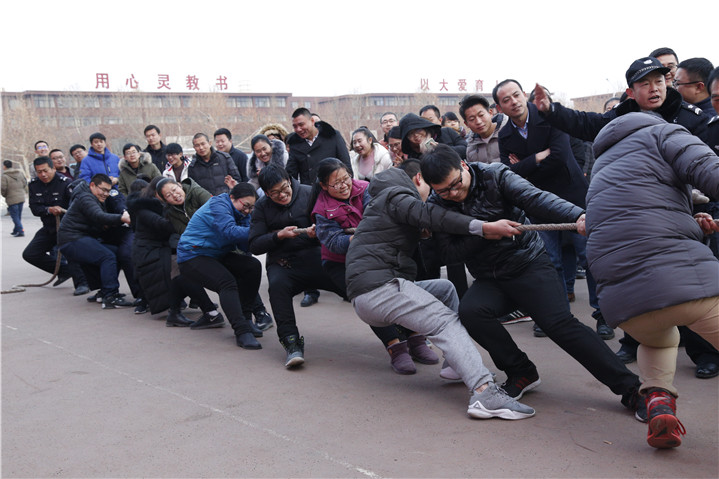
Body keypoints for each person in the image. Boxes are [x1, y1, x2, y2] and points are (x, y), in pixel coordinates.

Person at [420, 144, 645, 420]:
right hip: (489, 276)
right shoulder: (436, 204)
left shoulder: (495, 175)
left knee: (559, 326)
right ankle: (522, 371)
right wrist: (485, 232)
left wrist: (578, 216)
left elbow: (537, 199)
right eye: (444, 191)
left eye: (456, 184)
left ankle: (631, 388)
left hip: (528, 264)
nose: (453, 194)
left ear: (464, 166)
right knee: (471, 312)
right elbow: (449, 253)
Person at [345, 160, 535, 420]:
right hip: (380, 288)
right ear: (418, 179)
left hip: (369, 294)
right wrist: (483, 227)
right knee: (445, 322)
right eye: (433, 187)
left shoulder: (380, 204)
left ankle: (455, 365)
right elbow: (434, 215)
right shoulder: (396, 196)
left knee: (444, 289)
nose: (436, 194)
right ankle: (484, 393)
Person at [586, 110, 719, 449]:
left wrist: (691, 219)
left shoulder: (602, 166)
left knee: (657, 341)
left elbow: (642, 209)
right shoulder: (663, 134)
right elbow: (710, 170)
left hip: (625, 304)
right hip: (683, 282)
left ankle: (659, 403)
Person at [494, 79, 606, 338]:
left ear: (524, 94)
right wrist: (537, 157)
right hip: (537, 202)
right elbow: (508, 172)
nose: (513, 102)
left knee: (589, 258)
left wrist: (524, 164)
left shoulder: (549, 118)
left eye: (516, 95)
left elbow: (559, 156)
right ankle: (556, 316)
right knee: (549, 262)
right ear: (499, 107)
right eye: (506, 100)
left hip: (573, 196)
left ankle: (603, 315)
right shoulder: (505, 135)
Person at [309, 158, 439, 374]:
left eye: (345, 178)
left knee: (400, 291)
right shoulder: (321, 210)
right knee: (372, 300)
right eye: (336, 183)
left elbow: (379, 214)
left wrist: (365, 234)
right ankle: (395, 347)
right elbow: (334, 242)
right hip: (342, 263)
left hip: (377, 255)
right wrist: (362, 236)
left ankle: (416, 338)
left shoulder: (366, 188)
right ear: (323, 186)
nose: (344, 185)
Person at [248, 165, 346, 367]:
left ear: (290, 180)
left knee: (354, 286)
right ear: (266, 193)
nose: (282, 195)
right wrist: (279, 235)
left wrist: (318, 231)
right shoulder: (262, 207)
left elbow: (336, 224)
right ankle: (292, 344)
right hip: (284, 263)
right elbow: (255, 245)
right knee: (277, 287)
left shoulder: (310, 193)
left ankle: (395, 336)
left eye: (284, 188)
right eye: (274, 193)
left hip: (316, 256)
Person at [157, 177, 273, 331]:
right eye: (168, 195)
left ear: (179, 185)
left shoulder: (200, 194)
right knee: (224, 281)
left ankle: (253, 315)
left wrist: (266, 237)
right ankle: (227, 321)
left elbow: (232, 229)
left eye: (174, 190)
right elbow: (226, 230)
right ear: (164, 200)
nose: (174, 195)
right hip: (196, 250)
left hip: (220, 246)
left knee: (250, 267)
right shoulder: (172, 212)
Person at [532, 56, 707, 142]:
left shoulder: (692, 118)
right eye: (645, 84)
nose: (654, 88)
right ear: (631, 93)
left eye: (658, 82)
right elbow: (586, 124)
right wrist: (550, 109)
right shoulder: (620, 117)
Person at [177, 182, 264, 349]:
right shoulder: (218, 205)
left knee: (252, 266)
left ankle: (247, 319)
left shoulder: (243, 214)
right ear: (232, 198)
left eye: (251, 207)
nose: (248, 211)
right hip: (192, 255)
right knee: (226, 282)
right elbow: (229, 232)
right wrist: (261, 231)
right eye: (246, 205)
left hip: (216, 253)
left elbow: (245, 245)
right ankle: (241, 331)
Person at [57, 173, 135, 309]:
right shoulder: (85, 197)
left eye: (108, 191)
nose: (106, 194)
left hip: (80, 238)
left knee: (115, 252)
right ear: (92, 185)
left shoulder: (92, 197)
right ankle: (110, 296)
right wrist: (122, 218)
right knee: (107, 257)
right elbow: (98, 215)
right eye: (103, 190)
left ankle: (104, 291)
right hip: (72, 239)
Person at [23, 156, 88, 295]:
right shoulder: (34, 185)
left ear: (53, 168)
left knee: (70, 250)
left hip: (68, 228)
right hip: (49, 227)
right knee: (30, 254)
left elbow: (77, 207)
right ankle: (64, 271)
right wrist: (48, 210)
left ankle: (82, 283)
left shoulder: (65, 183)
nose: (43, 174)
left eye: (45, 170)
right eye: (39, 172)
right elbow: (35, 209)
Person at [285, 107, 352, 185]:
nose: (298, 129)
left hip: (334, 188)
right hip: (309, 190)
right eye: (295, 126)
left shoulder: (332, 136)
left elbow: (346, 164)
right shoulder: (295, 144)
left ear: (312, 121)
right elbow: (291, 174)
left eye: (301, 124)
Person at [459, 94, 509, 164]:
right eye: (472, 119)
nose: (478, 122)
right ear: (466, 124)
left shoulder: (509, 132)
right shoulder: (471, 147)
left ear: (490, 113)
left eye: (481, 115)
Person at [398, 113, 467, 160]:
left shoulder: (447, 132)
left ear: (424, 127)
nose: (416, 135)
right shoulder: (413, 154)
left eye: (418, 130)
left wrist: (441, 149)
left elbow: (465, 149)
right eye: (410, 134)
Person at [2, 160, 27, 237]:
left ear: (5, 166)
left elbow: (3, 188)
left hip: (12, 198)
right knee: (18, 215)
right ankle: (16, 230)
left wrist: (4, 195)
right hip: (21, 197)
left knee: (15, 216)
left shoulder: (4, 176)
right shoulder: (20, 173)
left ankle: (20, 231)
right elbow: (24, 183)